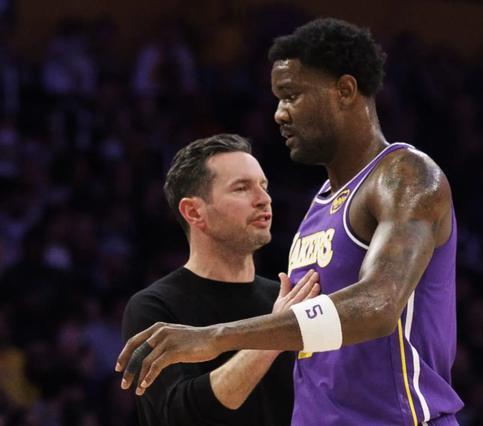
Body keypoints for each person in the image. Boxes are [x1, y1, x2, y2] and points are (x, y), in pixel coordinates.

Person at [117, 18, 464, 426]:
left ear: (345, 90)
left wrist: (214, 337)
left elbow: (378, 306)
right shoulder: (319, 206)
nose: (279, 114)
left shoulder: (405, 177)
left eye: (291, 95)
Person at [121, 133, 320, 426]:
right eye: (241, 188)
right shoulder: (153, 307)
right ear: (194, 212)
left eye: (264, 186)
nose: (264, 199)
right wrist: (276, 331)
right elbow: (177, 417)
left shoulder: (285, 298)